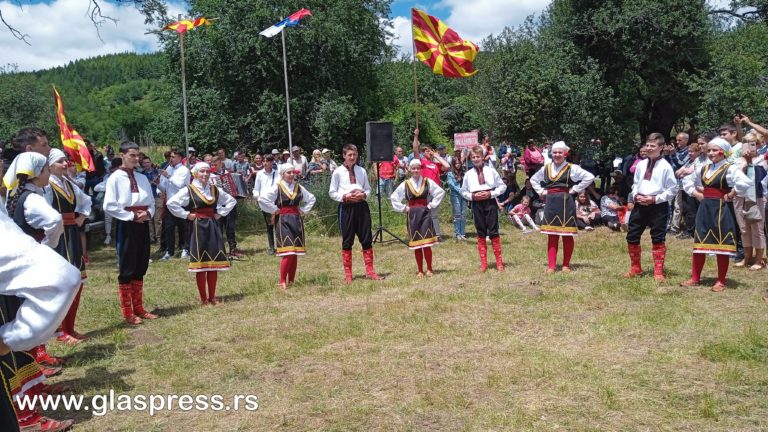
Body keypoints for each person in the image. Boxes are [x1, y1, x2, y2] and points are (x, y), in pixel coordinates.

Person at [3, 151, 77, 432]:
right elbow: (54, 221)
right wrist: (46, 247)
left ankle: (29, 410)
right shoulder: (29, 198)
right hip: (15, 275)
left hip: (10, 279)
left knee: (18, 358)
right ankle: (27, 419)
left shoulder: (11, 197)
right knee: (13, 357)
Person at [680, 138, 753, 291]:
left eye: (715, 150)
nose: (711, 153)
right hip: (705, 208)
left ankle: (720, 280)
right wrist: (696, 193)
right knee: (699, 243)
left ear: (724, 152)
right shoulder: (704, 168)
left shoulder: (730, 168)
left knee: (722, 244)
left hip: (722, 209)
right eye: (709, 150)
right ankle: (695, 277)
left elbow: (745, 182)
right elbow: (687, 181)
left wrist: (732, 193)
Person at [103, 141, 158, 324]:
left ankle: (139, 308)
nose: (136, 158)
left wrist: (148, 213)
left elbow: (151, 201)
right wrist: (131, 216)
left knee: (141, 264)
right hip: (127, 225)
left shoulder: (142, 178)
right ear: (123, 155)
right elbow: (109, 205)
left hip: (142, 223)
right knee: (127, 266)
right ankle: (128, 312)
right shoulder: (115, 178)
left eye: (137, 155)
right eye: (132, 155)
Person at [166, 162, 236, 304]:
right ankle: (203, 298)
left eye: (207, 171)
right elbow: (171, 203)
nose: (205, 174)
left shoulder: (214, 190)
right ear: (195, 174)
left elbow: (231, 201)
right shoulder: (189, 190)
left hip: (212, 225)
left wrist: (220, 214)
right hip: (197, 227)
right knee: (201, 264)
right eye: (202, 172)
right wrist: (186, 215)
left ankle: (212, 296)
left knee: (213, 261)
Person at [46, 149, 92, 345]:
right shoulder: (47, 186)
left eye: (66, 161)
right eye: (60, 162)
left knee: (76, 281)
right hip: (57, 237)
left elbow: (86, 200)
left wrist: (81, 216)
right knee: (59, 284)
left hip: (71, 233)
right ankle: (59, 331)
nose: (65, 164)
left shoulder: (68, 184)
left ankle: (70, 327)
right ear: (49, 166)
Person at [531, 141, 595, 273]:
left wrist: (575, 189)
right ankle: (551, 266)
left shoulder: (572, 168)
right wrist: (541, 191)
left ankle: (566, 265)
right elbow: (533, 180)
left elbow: (589, 177)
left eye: (560, 152)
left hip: (566, 202)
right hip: (551, 202)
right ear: (551, 154)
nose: (557, 155)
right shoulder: (546, 168)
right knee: (552, 234)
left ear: (565, 154)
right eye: (554, 152)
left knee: (567, 234)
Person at [622, 133, 679, 281]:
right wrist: (635, 196)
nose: (648, 148)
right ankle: (636, 268)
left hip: (658, 206)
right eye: (647, 145)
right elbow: (635, 184)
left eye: (652, 146)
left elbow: (672, 189)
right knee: (632, 235)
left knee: (658, 237)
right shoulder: (640, 164)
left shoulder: (666, 166)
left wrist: (655, 199)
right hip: (640, 204)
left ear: (661, 147)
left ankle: (658, 271)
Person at [329, 144, 383, 283]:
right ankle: (348, 274)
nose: (352, 157)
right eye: (349, 155)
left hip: (361, 207)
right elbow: (332, 192)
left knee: (366, 238)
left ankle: (370, 271)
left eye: (354, 155)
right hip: (346, 208)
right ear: (344, 156)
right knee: (347, 241)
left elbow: (368, 189)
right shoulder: (338, 172)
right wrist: (344, 197)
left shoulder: (362, 170)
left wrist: (363, 194)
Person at [258, 164, 317, 290]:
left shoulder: (298, 187)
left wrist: (303, 210)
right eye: (288, 173)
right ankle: (282, 280)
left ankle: (291, 281)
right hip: (283, 220)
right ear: (282, 174)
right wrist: (274, 209)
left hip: (296, 220)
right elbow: (263, 199)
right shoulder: (277, 187)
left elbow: (311, 198)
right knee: (288, 251)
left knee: (294, 252)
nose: (291, 175)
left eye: (292, 172)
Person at [390, 159, 445, 278]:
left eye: (418, 168)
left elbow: (440, 192)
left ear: (421, 169)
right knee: (417, 244)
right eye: (413, 168)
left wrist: (431, 205)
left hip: (425, 214)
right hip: (413, 215)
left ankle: (430, 268)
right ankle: (420, 270)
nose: (416, 170)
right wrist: (404, 208)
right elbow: (394, 197)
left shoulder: (427, 181)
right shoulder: (405, 184)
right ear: (410, 169)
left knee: (426, 243)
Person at [460, 145, 507, 272]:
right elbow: (463, 191)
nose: (476, 159)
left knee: (493, 231)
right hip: (477, 204)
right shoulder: (468, 174)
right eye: (473, 157)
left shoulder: (491, 171)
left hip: (490, 202)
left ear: (482, 157)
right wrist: (472, 196)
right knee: (480, 231)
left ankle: (499, 262)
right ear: (470, 159)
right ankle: (484, 263)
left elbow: (502, 187)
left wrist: (491, 194)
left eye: (478, 157)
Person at [732, 131, 767, 270]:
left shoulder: (763, 160)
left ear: (758, 145)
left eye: (752, 144)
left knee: (757, 229)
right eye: (746, 144)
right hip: (740, 197)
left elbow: (758, 179)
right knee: (744, 229)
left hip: (756, 198)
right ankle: (746, 258)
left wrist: (750, 163)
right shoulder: (737, 161)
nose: (748, 147)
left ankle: (758, 260)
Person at [412, 129, 450, 240]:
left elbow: (447, 166)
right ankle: (425, 234)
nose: (428, 152)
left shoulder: (435, 164)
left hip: (435, 192)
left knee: (434, 214)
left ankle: (436, 235)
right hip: (426, 190)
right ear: (423, 153)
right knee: (424, 213)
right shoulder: (422, 162)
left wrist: (436, 155)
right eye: (426, 151)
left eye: (429, 151)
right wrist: (416, 136)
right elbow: (415, 149)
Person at [159, 150, 191, 260]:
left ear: (180, 158)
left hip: (181, 203)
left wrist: (168, 176)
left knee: (184, 228)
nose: (171, 159)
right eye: (170, 157)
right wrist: (157, 183)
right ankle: (169, 251)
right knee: (169, 228)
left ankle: (186, 249)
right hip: (170, 203)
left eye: (173, 157)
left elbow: (180, 185)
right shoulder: (168, 169)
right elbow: (164, 188)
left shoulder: (184, 170)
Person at [253, 154, 278, 255]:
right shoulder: (259, 174)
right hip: (264, 203)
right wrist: (257, 197)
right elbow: (256, 188)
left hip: (275, 202)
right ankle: (271, 247)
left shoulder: (277, 173)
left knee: (279, 225)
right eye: (264, 161)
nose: (265, 163)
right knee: (269, 226)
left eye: (267, 161)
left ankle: (281, 245)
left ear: (271, 162)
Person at [446, 158, 467, 240]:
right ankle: (457, 233)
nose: (458, 165)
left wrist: (465, 191)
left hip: (463, 195)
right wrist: (460, 190)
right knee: (457, 214)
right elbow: (451, 185)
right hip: (455, 195)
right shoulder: (450, 174)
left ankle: (463, 233)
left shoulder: (463, 173)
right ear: (453, 164)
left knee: (463, 213)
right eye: (456, 163)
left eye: (459, 163)